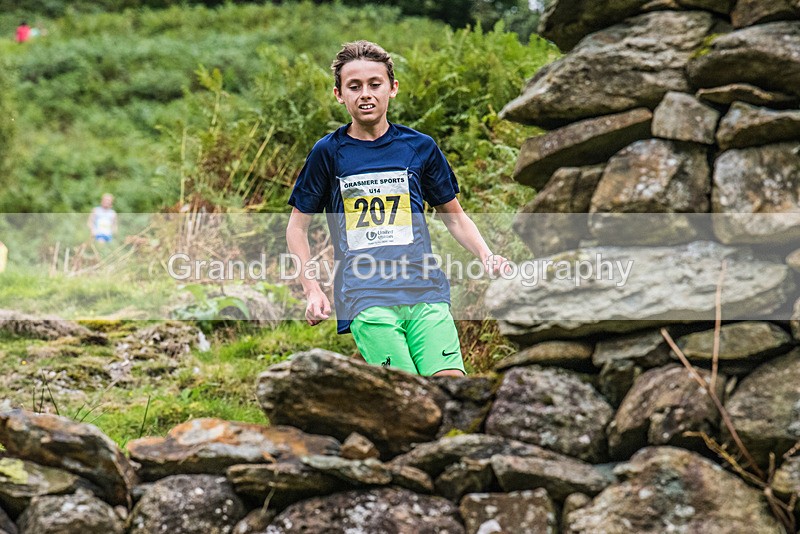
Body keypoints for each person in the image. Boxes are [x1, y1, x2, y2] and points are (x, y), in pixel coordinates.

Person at [286, 41, 509, 377]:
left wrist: (486, 255)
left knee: (450, 389)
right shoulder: (328, 153)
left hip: (426, 291)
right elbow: (296, 228)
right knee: (407, 401)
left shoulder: (420, 147)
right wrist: (312, 288)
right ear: (339, 94)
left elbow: (455, 216)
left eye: (375, 84)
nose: (366, 94)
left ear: (392, 88)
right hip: (366, 297)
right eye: (354, 86)